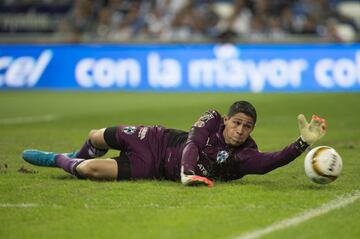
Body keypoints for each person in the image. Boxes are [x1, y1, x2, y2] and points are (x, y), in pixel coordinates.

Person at [22, 101, 327, 187]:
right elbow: (192, 142)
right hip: (155, 138)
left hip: (151, 166)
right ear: (226, 121)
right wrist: (186, 171)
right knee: (95, 135)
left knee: (90, 170)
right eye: (236, 123)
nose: (240, 131)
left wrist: (302, 142)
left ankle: (59, 160)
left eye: (247, 127)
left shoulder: (244, 156)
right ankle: (75, 155)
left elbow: (271, 160)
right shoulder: (211, 118)